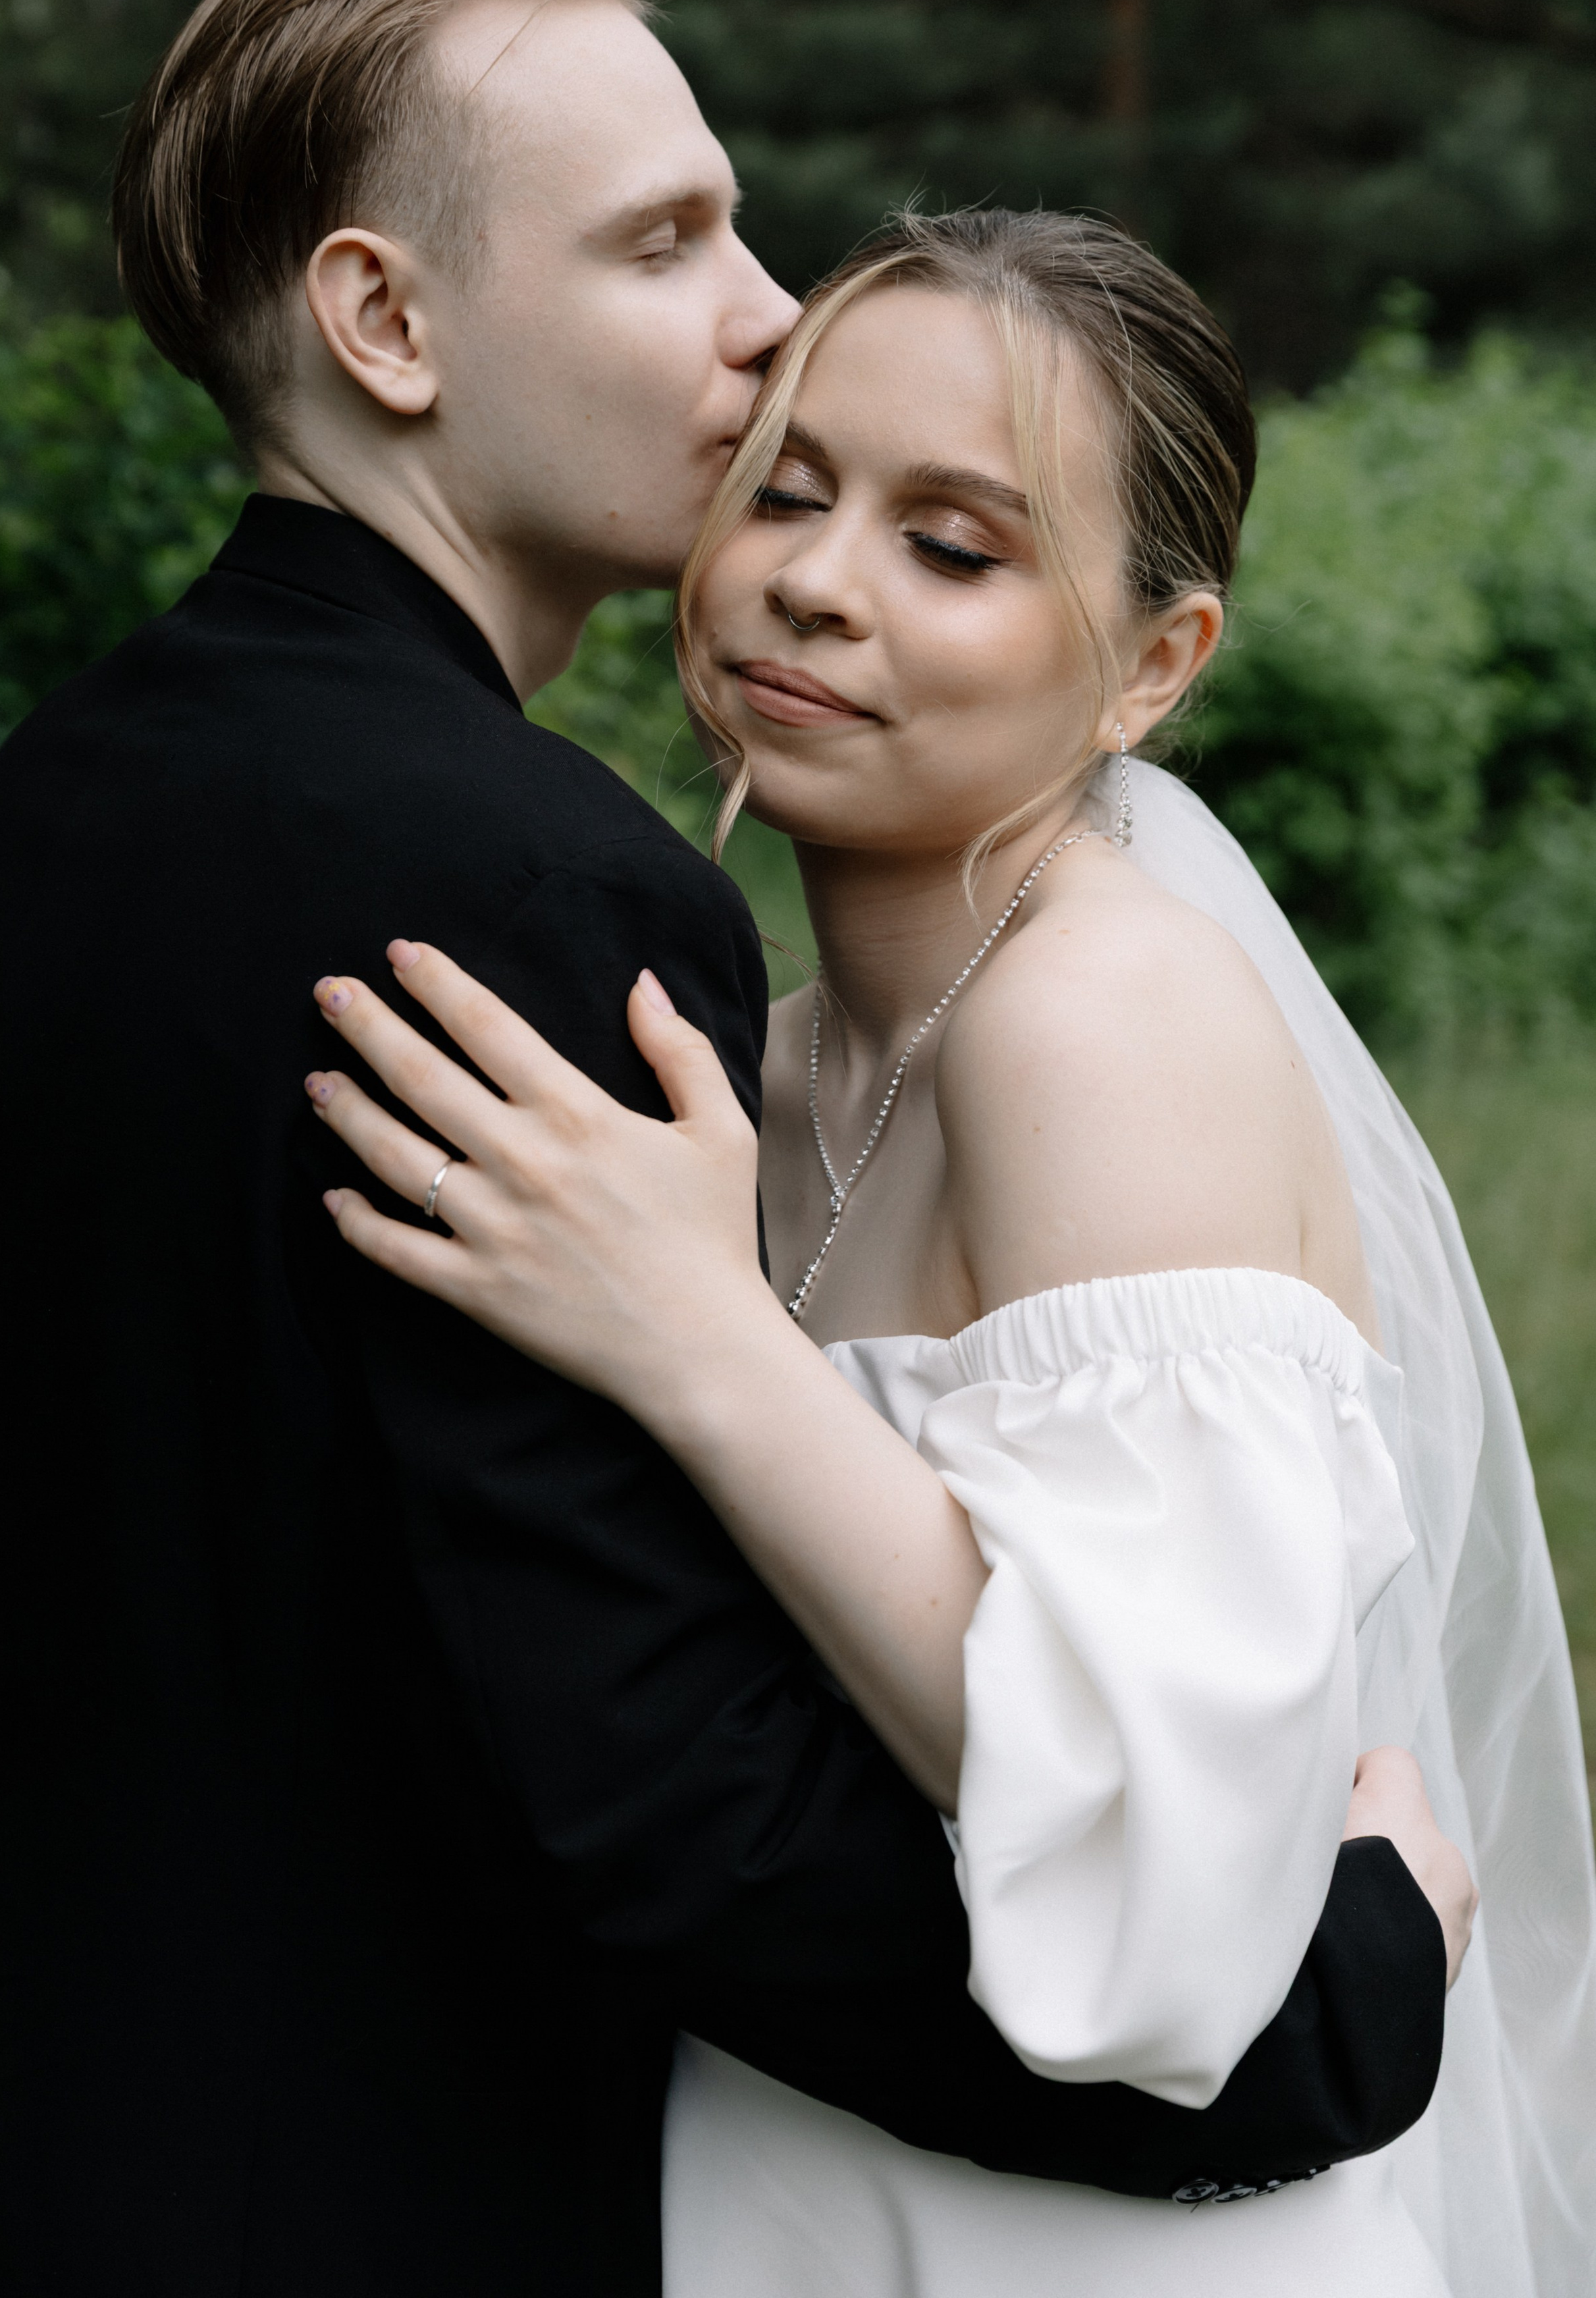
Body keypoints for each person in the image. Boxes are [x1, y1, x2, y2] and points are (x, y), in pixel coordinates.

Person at [0, 0, 1456, 2298]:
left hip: (51, 2157)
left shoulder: (49, 814)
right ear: (384, 321)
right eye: (667, 241)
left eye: (945, 538)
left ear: (1155, 665)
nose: (759, 311)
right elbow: (672, 1804)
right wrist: (1332, 2023)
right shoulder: (525, 892)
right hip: (404, 2199)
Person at [303, 207, 1596, 2297]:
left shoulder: (1101, 1025)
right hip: (807, 2175)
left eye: (958, 547)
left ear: (1157, 667)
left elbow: (1174, 1890)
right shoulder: (780, 1070)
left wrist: (698, 1343)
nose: (817, 580)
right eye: (787, 491)